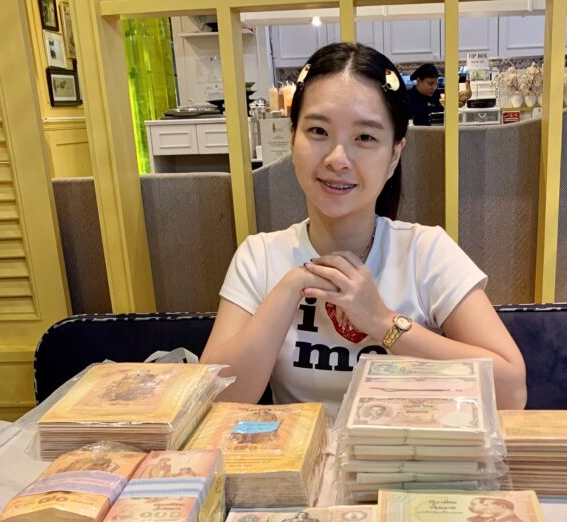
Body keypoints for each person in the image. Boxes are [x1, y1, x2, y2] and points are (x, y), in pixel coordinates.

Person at [201, 42, 526, 418]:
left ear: (394, 155)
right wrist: (290, 288)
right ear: (293, 139)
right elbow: (214, 401)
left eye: (365, 137)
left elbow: (510, 392)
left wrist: (382, 322)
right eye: (318, 130)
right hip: (298, 454)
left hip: (408, 453)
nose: (337, 158)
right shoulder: (259, 256)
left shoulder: (426, 252)